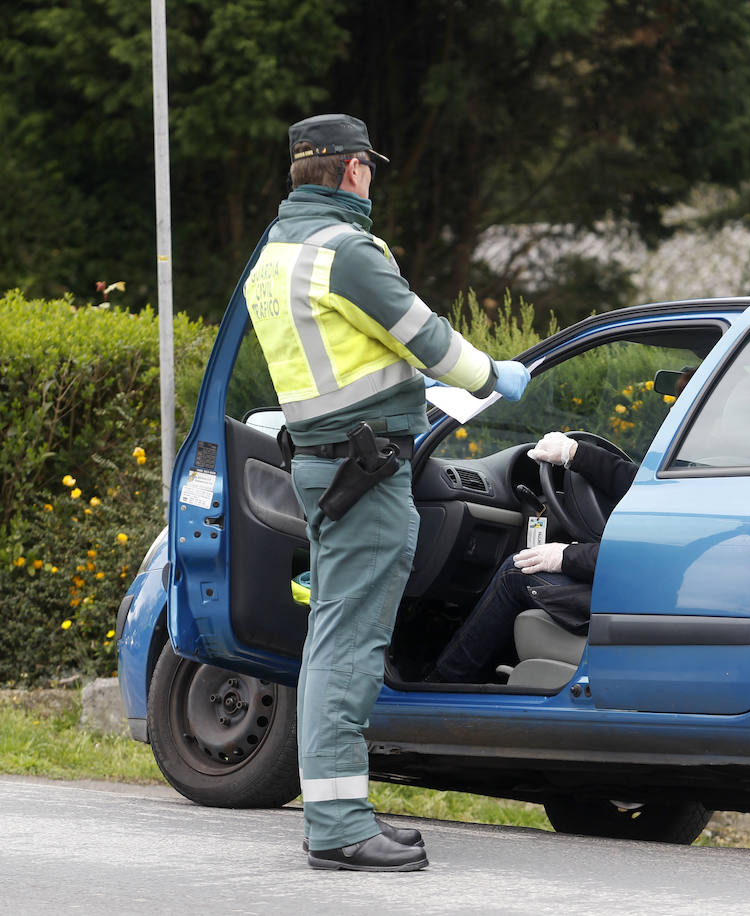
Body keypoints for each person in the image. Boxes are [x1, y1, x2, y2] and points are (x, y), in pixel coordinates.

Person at [243, 113, 529, 872]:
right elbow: (426, 333)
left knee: (334, 636)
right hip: (363, 472)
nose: (371, 178)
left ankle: (333, 815)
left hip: (326, 460)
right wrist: (492, 375)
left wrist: (409, 379)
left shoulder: (276, 252)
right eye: (369, 166)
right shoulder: (347, 252)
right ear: (350, 170)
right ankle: (339, 824)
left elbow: (348, 350)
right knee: (351, 643)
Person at [428, 430, 636, 683]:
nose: (673, 407)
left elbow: (643, 557)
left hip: (636, 600)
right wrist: (575, 454)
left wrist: (566, 555)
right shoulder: (688, 475)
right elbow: (640, 485)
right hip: (643, 595)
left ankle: (444, 681)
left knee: (514, 572)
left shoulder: (692, 482)